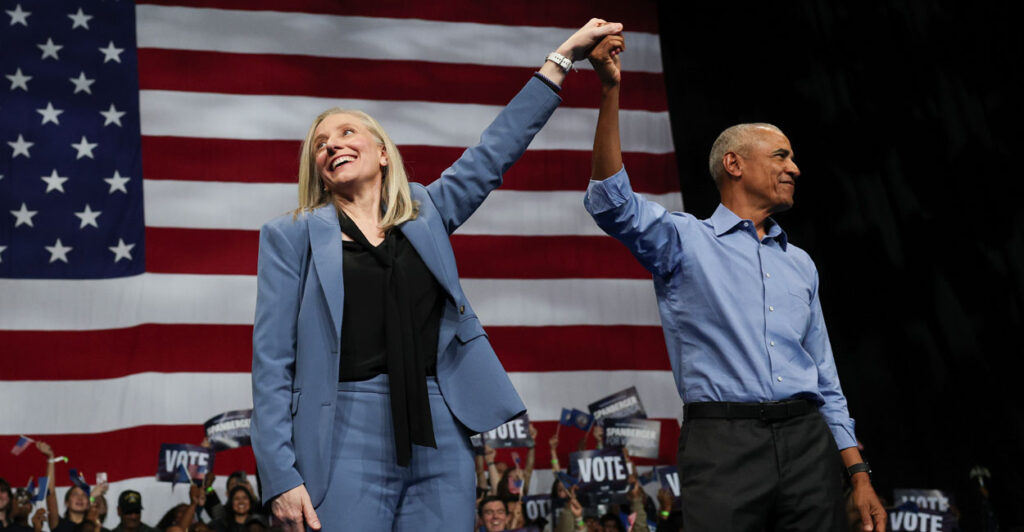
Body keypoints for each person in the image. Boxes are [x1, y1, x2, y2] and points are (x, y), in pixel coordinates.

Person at [250, 18, 625, 532]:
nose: (330, 145)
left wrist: (560, 59)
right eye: (319, 144)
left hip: (439, 423)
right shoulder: (289, 236)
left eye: (345, 132)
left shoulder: (426, 210)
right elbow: (272, 362)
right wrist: (279, 475)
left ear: (383, 153)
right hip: (342, 428)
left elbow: (494, 152)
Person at [582, 36, 888, 532]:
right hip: (722, 445)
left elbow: (826, 380)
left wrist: (858, 473)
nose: (795, 168)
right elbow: (610, 202)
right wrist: (609, 89)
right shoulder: (684, 240)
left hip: (809, 443)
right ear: (734, 164)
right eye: (781, 156)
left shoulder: (801, 263)